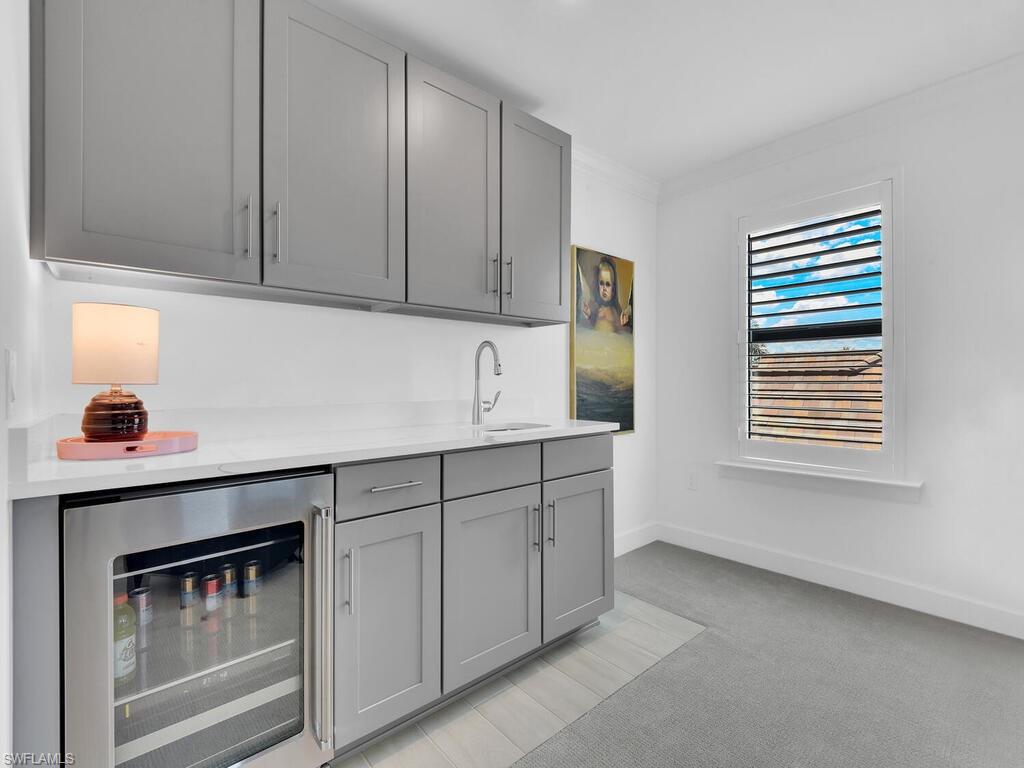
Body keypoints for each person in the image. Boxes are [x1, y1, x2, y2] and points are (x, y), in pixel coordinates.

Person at [581, 258, 623, 333]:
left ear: (613, 290)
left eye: (607, 284)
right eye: (601, 283)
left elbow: (620, 330)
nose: (604, 288)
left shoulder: (615, 312)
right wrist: (589, 315)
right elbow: (592, 325)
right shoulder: (597, 308)